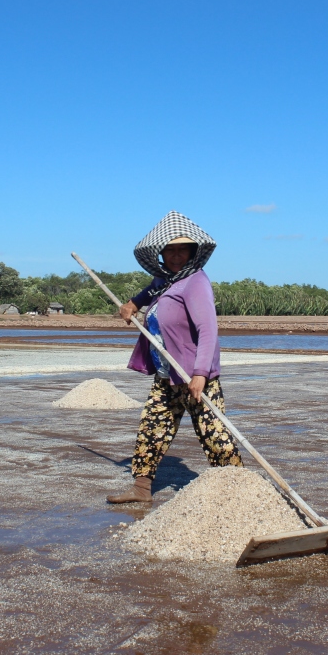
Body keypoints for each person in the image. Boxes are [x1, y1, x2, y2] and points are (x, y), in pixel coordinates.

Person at [106, 211, 244, 504]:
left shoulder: (195, 282)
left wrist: (200, 373)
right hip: (166, 376)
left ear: (193, 253)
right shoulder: (166, 280)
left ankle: (239, 494)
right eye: (170, 249)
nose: (176, 256)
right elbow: (148, 291)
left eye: (183, 250)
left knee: (215, 436)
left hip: (197, 377)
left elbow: (208, 330)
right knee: (151, 430)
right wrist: (132, 304)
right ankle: (141, 489)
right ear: (161, 252)